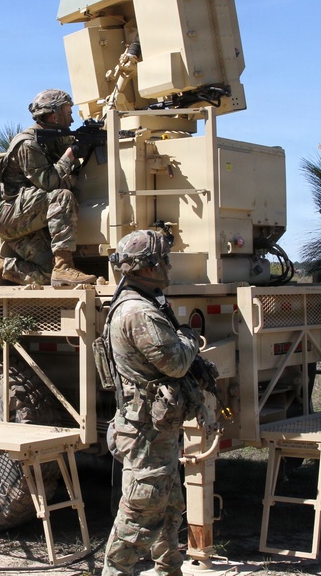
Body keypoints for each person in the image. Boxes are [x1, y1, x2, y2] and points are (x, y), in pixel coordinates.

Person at [101, 230, 201, 576]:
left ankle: (168, 569)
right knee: (141, 512)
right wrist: (190, 338)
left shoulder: (146, 303)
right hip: (146, 431)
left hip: (155, 429)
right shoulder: (138, 312)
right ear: (148, 266)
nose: (170, 265)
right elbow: (175, 363)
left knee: (168, 507)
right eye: (165, 259)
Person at [0, 89, 98, 288]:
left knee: (48, 274)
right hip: (8, 214)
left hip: (28, 214)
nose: (72, 118)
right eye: (68, 112)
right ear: (54, 114)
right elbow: (48, 182)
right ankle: (65, 266)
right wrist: (71, 154)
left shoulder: (56, 138)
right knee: (61, 197)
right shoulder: (28, 143)